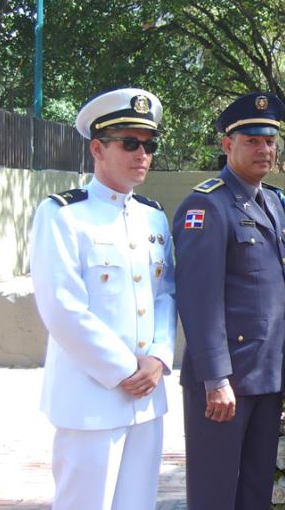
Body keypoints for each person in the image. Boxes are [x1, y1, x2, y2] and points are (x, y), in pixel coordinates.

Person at [30, 88, 176, 510]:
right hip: (89, 397)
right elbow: (62, 308)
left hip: (146, 398)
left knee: (138, 504)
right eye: (129, 143)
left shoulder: (152, 215)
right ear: (97, 148)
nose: (142, 154)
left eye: (149, 145)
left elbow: (165, 293)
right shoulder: (62, 214)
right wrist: (127, 369)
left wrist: (158, 360)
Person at [172, 92, 285, 509]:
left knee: (255, 489)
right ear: (228, 145)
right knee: (215, 492)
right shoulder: (207, 205)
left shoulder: (275, 202)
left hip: (266, 375)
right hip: (225, 381)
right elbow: (198, 298)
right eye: (252, 141)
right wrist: (215, 379)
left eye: (270, 141)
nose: (264, 149)